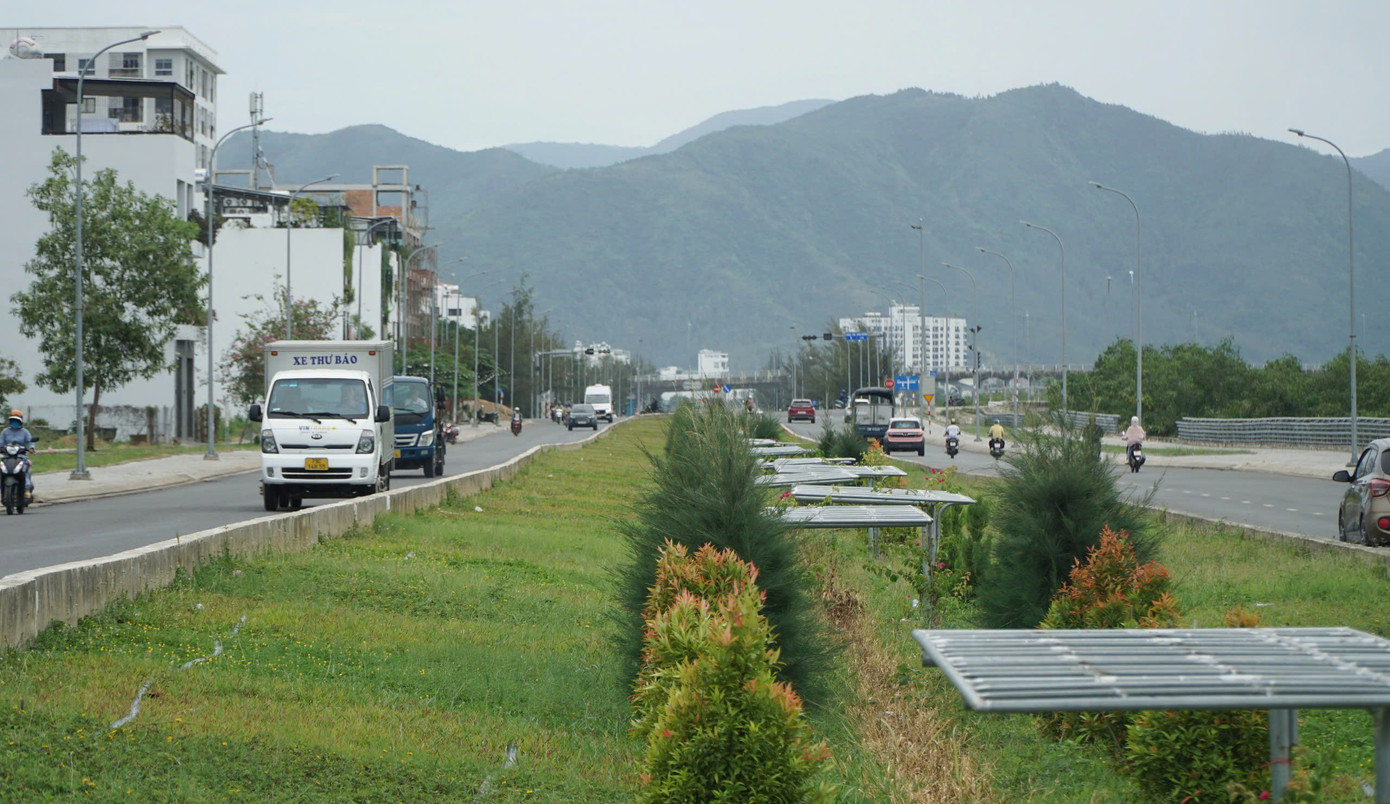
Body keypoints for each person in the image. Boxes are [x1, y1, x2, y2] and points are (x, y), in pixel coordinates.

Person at [2, 410, 36, 500]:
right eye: (13, 421)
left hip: (21, 456)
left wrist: (31, 448)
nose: (15, 423)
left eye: (16, 421)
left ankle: (26, 488)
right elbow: (1, 443)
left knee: (25, 468)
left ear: (21, 421)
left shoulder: (25, 432)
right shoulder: (5, 432)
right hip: (7, 456)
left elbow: (30, 442)